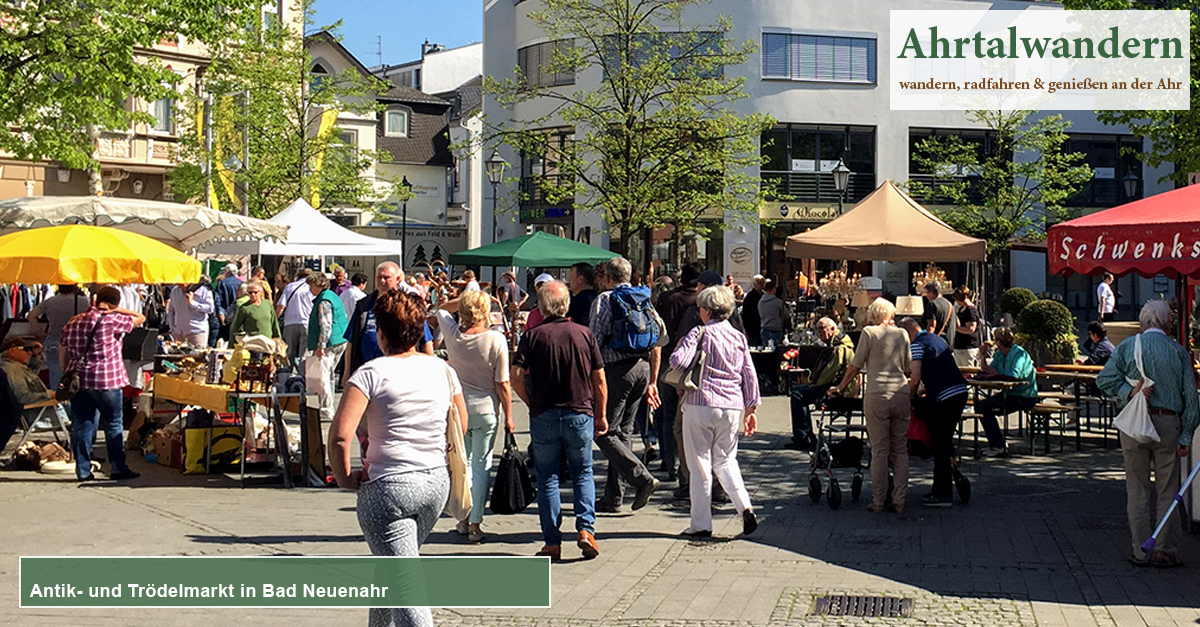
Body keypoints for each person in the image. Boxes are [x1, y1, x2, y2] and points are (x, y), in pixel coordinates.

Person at [327, 290, 465, 627]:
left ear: (381, 333)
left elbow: (340, 435)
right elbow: (460, 422)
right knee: (392, 568)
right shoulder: (442, 370)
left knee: (404, 583)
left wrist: (345, 477)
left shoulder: (370, 374)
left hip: (389, 486)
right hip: (434, 483)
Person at [1098, 300, 1199, 568]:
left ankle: (1140, 550)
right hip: (1168, 423)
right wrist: (1187, 435)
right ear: (1168, 324)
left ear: (1143, 323)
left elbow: (1103, 380)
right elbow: (1191, 398)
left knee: (1137, 488)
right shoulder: (1178, 352)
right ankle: (1165, 549)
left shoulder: (1128, 347)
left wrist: (1129, 392)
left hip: (1134, 422)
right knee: (1168, 489)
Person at [512, 280, 607, 561]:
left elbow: (515, 375)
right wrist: (601, 413)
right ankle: (586, 530)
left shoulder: (532, 336)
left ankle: (552, 542)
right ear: (566, 305)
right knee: (582, 472)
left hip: (544, 415)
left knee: (548, 478)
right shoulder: (584, 334)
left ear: (541, 307)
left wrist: (529, 401)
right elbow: (599, 378)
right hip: (580, 412)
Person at [668, 286, 760, 538]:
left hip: (700, 402)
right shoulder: (738, 337)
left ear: (707, 310)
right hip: (731, 405)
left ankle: (701, 524)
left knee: (700, 465)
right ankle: (745, 507)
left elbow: (677, 361)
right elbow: (749, 375)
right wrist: (750, 409)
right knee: (727, 461)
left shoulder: (699, 333)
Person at [435, 291, 513, 544]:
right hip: (487, 408)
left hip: (458, 409)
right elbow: (502, 383)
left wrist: (463, 300)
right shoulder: (496, 339)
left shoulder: (453, 333)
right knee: (482, 466)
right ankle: (476, 522)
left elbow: (441, 309)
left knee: (462, 465)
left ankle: (462, 516)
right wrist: (509, 414)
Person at [589, 257, 666, 513]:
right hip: (641, 369)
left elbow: (594, 340)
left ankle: (642, 478)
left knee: (602, 431)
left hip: (616, 372)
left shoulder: (605, 299)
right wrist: (653, 379)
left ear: (607, 278)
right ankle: (614, 497)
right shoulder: (642, 298)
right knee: (623, 433)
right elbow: (660, 336)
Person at [828, 298, 912, 514]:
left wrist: (840, 386)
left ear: (874, 314)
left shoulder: (869, 333)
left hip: (877, 393)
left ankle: (878, 500)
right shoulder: (902, 333)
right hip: (900, 392)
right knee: (900, 449)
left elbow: (855, 366)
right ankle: (900, 500)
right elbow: (908, 368)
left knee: (880, 449)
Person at [61, 286, 145, 481]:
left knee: (82, 424)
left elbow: (63, 350)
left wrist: (68, 372)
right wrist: (116, 310)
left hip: (79, 380)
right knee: (113, 423)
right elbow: (140, 318)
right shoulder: (112, 320)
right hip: (106, 380)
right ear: (116, 303)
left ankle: (82, 470)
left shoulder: (73, 321)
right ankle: (117, 467)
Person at [899, 317, 968, 508]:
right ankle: (948, 481)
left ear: (906, 332)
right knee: (944, 441)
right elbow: (940, 369)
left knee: (939, 444)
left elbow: (915, 376)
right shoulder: (937, 339)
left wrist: (909, 395)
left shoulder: (917, 345)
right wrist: (926, 390)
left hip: (944, 398)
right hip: (959, 392)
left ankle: (942, 492)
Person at [654, 262, 705, 487]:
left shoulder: (668, 299)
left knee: (667, 414)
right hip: (695, 364)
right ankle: (687, 469)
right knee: (687, 417)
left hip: (668, 360)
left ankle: (670, 462)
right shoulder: (702, 301)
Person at [344, 262, 433, 389]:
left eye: (386, 277)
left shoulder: (408, 306)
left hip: (402, 374)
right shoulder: (363, 306)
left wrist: (430, 370)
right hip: (367, 374)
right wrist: (347, 372)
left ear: (398, 279)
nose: (382, 281)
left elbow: (426, 341)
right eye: (379, 277)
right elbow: (351, 341)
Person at [788, 317, 855, 451]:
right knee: (798, 390)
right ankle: (804, 435)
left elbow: (829, 374)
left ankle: (803, 438)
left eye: (821, 329)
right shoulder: (837, 343)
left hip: (838, 389)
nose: (819, 333)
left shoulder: (839, 347)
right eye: (817, 329)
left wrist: (813, 384)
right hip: (836, 385)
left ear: (832, 329)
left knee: (797, 394)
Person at [976, 327, 1038, 457]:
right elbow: (987, 370)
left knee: (984, 407)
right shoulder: (999, 354)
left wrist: (996, 375)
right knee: (981, 405)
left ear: (999, 341)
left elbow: (1014, 376)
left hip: (1024, 395)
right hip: (1009, 394)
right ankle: (997, 443)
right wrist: (982, 356)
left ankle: (998, 445)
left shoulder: (1019, 354)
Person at [0, 337, 68, 454]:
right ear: (12, 351)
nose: (29, 352)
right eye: (25, 349)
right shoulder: (12, 370)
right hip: (34, 413)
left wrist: (36, 356)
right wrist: (50, 395)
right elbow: (23, 397)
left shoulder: (12, 366)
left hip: (29, 412)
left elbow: (31, 374)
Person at [27, 285, 91, 389]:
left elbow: (31, 315)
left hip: (54, 341)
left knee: (56, 380)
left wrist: (39, 332)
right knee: (75, 380)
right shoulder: (84, 301)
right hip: (75, 343)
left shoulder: (50, 302)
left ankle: (59, 403)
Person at [306, 272, 349, 424]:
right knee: (328, 375)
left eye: (311, 285)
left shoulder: (324, 301)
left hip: (330, 342)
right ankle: (328, 408)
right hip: (340, 338)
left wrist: (321, 345)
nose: (310, 289)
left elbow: (326, 324)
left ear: (318, 285)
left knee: (322, 377)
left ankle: (325, 410)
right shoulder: (332, 295)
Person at [277, 268, 314, 372]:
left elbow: (281, 306)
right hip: (307, 322)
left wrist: (274, 320)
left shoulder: (290, 286)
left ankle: (287, 375)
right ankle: (302, 378)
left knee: (289, 354)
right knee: (304, 355)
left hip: (290, 322)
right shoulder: (312, 288)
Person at [167, 278, 215, 349]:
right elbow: (171, 311)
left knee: (198, 357)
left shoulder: (203, 290)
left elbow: (210, 308)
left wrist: (192, 303)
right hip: (179, 333)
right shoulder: (175, 291)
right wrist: (172, 328)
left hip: (197, 332)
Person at [951, 286, 982, 367]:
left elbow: (971, 329)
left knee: (967, 370)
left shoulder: (971, 310)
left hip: (968, 347)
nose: (957, 302)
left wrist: (957, 328)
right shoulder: (961, 308)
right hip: (959, 346)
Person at [214, 262, 243, 345]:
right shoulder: (241, 283)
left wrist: (221, 315)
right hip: (238, 316)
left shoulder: (222, 283)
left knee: (224, 341)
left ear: (227, 272)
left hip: (226, 316)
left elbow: (218, 301)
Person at [757, 279, 790, 347]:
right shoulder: (778, 302)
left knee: (766, 352)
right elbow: (786, 315)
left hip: (764, 329)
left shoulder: (760, 302)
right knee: (777, 352)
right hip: (776, 330)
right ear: (774, 289)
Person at [742, 275, 766, 346]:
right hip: (753, 327)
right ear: (754, 284)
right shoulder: (750, 297)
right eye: (759, 283)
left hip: (763, 325)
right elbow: (746, 314)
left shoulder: (764, 295)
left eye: (763, 283)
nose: (762, 285)